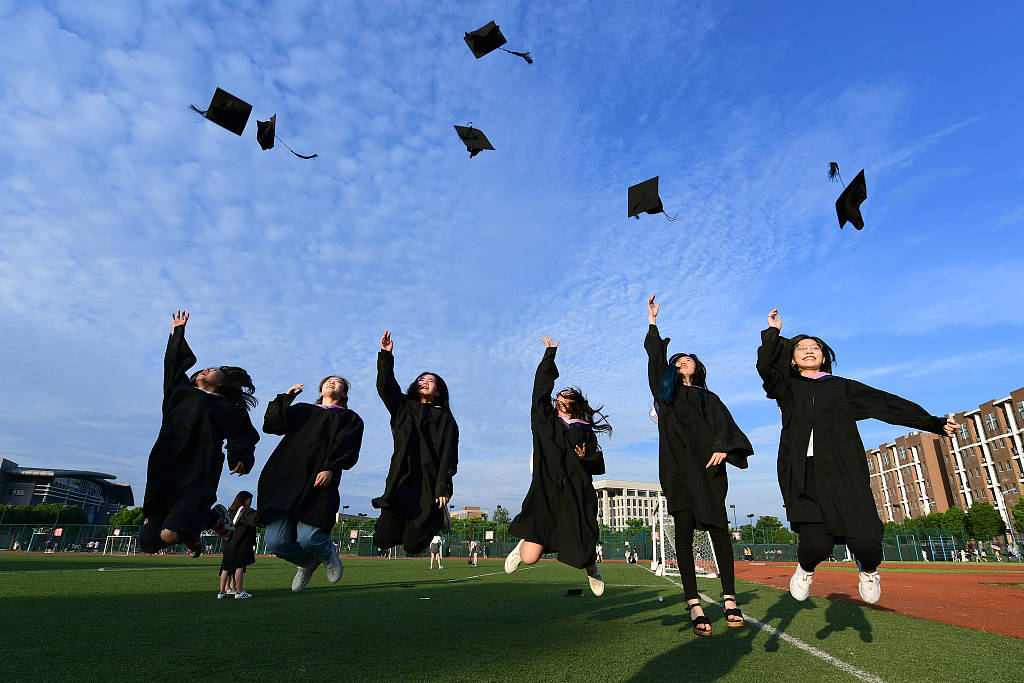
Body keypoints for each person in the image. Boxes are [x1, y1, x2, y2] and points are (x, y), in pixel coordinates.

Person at [756, 307, 957, 604]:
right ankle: (806, 569)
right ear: (792, 357)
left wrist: (933, 423)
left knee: (866, 544)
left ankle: (869, 570)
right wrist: (774, 334)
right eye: (801, 348)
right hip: (803, 470)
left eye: (816, 348)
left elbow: (886, 404)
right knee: (815, 543)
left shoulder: (840, 387)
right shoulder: (786, 387)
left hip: (843, 469)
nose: (810, 351)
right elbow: (766, 368)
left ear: (824, 357)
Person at [646, 295, 753, 636]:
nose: (682, 362)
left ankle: (730, 598)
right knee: (683, 531)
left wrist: (723, 448)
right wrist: (652, 326)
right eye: (676, 361)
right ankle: (693, 601)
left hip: (708, 470)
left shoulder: (711, 398)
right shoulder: (667, 397)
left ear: (698, 367)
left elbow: (725, 427)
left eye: (687, 359)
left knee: (720, 531)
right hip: (678, 470)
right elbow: (655, 362)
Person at [140, 311, 259, 557]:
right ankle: (191, 532)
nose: (204, 370)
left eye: (212, 370)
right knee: (149, 545)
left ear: (223, 383)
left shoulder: (230, 408)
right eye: (202, 370)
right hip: (165, 465)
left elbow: (244, 435)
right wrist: (177, 332)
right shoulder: (179, 391)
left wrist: (241, 456)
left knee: (169, 535)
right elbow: (172, 364)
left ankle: (213, 518)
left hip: (198, 470)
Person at [505, 336, 609, 596]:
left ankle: (592, 569)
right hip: (547, 490)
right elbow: (539, 391)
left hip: (577, 492)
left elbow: (599, 464)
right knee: (529, 558)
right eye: (559, 394)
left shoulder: (584, 430)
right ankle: (522, 547)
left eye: (568, 395)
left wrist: (585, 457)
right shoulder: (544, 423)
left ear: (575, 403)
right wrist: (549, 355)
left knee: (584, 546)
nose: (562, 396)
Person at [258, 376, 364, 592]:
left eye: (338, 382)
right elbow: (272, 426)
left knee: (310, 537)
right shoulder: (303, 410)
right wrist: (285, 399)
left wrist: (330, 467)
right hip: (285, 476)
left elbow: (348, 448)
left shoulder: (350, 419)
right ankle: (306, 563)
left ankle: (328, 554)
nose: (332, 382)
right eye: (328, 380)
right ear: (321, 389)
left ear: (344, 393)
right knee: (276, 541)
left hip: (319, 479)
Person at [372, 331, 459, 556]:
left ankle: (438, 517)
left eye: (431, 381)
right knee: (382, 539)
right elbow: (385, 386)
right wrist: (386, 355)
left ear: (438, 391)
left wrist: (444, 488)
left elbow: (449, 455)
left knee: (412, 546)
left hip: (428, 483)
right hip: (400, 477)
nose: (425, 382)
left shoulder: (445, 418)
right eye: (422, 379)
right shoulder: (403, 407)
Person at [219, 491, 258, 599]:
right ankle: (239, 592)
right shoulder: (244, 512)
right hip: (240, 543)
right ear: (244, 499)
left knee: (225, 568)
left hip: (228, 544)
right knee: (239, 567)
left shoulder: (229, 512)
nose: (250, 502)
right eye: (249, 499)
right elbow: (255, 520)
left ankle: (222, 592)